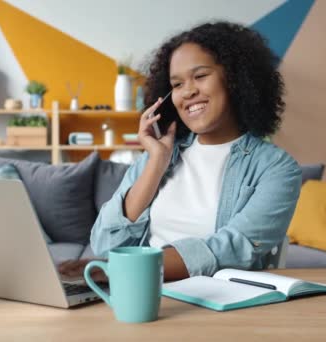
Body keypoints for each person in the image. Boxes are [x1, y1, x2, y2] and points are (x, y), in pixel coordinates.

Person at [59, 21, 302, 281]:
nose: (188, 92)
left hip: (219, 306)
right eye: (176, 84)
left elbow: (235, 248)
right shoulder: (158, 157)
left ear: (235, 79)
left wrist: (127, 269)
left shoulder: (277, 168)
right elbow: (105, 242)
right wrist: (156, 162)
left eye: (200, 76)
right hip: (143, 294)